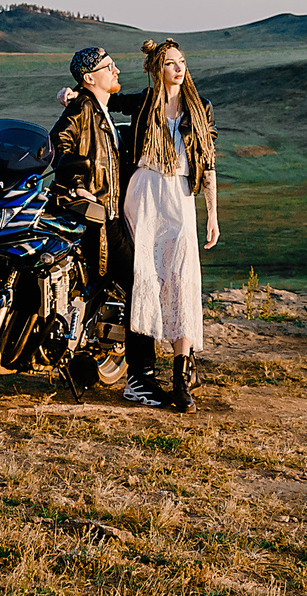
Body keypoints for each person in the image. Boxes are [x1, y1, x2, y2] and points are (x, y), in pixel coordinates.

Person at [120, 38, 218, 410]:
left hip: (180, 195)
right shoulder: (144, 103)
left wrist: (212, 215)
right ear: (156, 69)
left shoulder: (200, 108)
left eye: (182, 62)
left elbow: (207, 163)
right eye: (170, 63)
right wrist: (71, 96)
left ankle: (180, 375)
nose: (179, 68)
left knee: (181, 278)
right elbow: (100, 102)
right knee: (144, 277)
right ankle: (141, 372)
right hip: (144, 190)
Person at [48, 46, 127, 326]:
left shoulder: (99, 110)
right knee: (133, 276)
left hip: (110, 212)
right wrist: (77, 183)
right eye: (109, 67)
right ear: (90, 78)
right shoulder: (83, 106)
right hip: (97, 213)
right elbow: (59, 141)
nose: (116, 70)